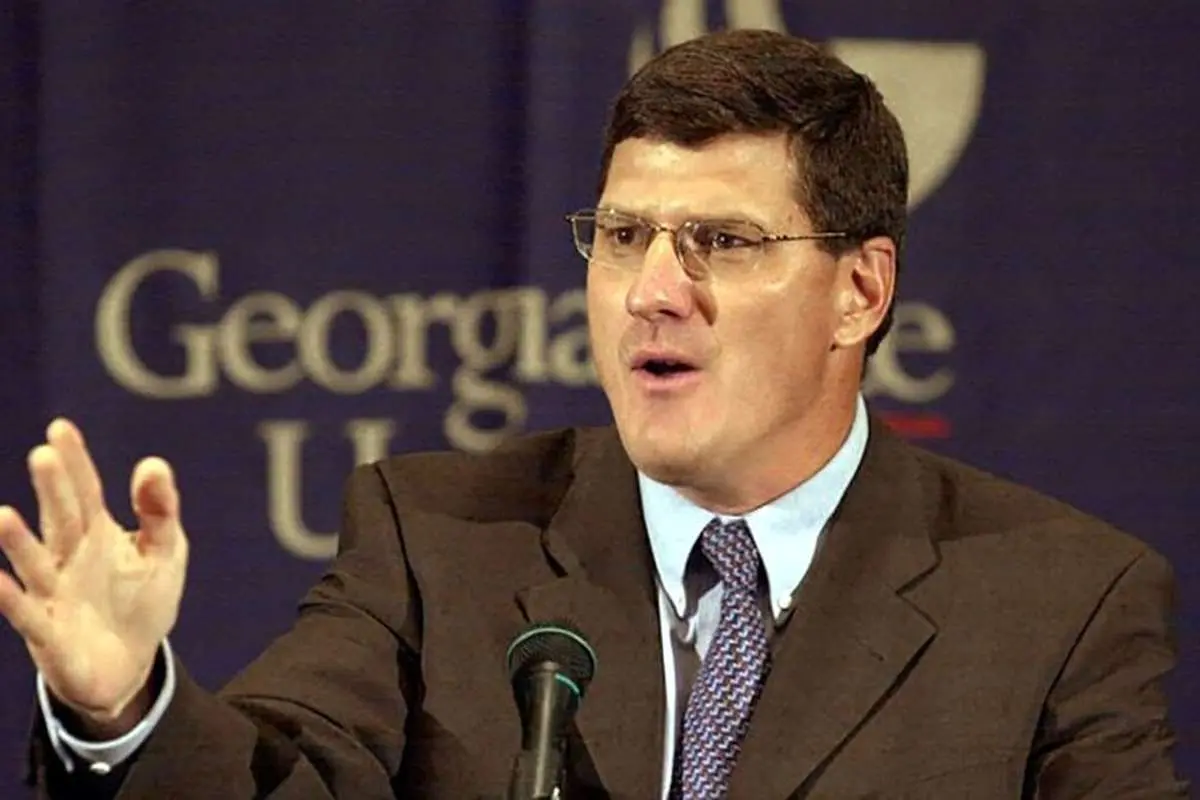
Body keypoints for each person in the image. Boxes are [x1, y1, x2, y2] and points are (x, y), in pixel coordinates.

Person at [0, 28, 1186, 800]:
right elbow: (278, 783)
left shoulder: (1061, 602)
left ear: (860, 291)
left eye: (721, 240)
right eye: (623, 236)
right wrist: (124, 704)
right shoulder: (439, 539)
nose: (652, 290)